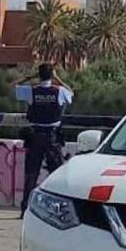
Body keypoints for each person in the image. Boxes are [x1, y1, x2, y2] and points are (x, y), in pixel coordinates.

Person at [14, 64, 74, 214]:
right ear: (52, 75)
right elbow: (71, 93)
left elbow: (14, 86)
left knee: (31, 174)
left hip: (35, 136)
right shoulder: (59, 91)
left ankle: (25, 209)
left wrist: (30, 77)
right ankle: (59, 210)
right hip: (52, 137)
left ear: (39, 75)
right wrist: (57, 78)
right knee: (57, 174)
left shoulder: (31, 92)